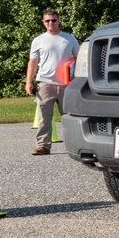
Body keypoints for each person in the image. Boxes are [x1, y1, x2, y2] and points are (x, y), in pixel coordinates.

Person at [25, 10, 79, 156]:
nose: (50, 23)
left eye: (53, 20)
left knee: (69, 117)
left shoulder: (69, 39)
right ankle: (43, 146)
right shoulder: (38, 40)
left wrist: (78, 80)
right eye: (47, 21)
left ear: (59, 21)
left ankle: (74, 146)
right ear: (43, 22)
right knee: (44, 117)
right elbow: (33, 62)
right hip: (45, 83)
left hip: (66, 85)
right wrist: (28, 81)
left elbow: (78, 59)